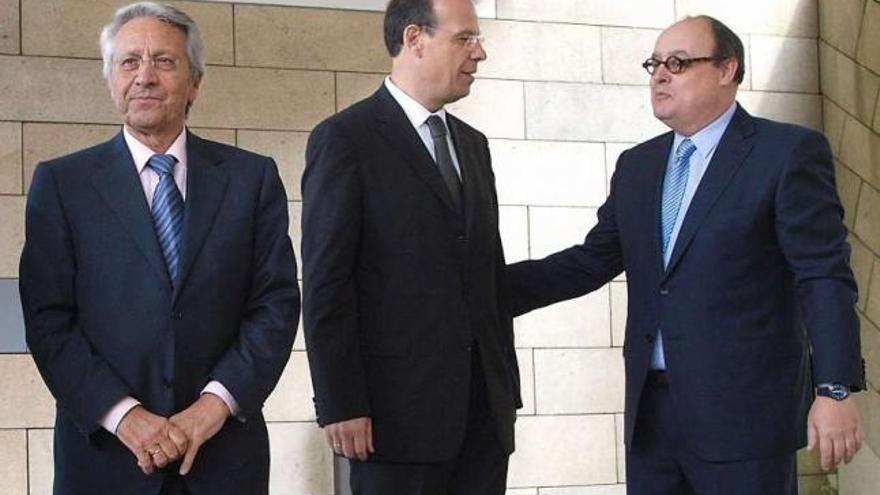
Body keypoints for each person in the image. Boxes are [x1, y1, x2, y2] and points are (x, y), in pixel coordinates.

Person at [508, 15, 865, 495]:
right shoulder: (638, 166)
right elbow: (590, 261)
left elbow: (822, 274)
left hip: (744, 422)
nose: (660, 75)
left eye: (678, 63)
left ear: (726, 70)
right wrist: (477, 290)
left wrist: (834, 388)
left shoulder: (785, 154)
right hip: (652, 421)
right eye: (655, 64)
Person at [19, 2, 300, 493]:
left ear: (195, 82)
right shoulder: (63, 185)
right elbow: (48, 321)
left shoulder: (250, 179)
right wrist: (126, 417)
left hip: (223, 458)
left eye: (164, 61)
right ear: (110, 80)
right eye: (129, 62)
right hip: (106, 461)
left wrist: (211, 409)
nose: (144, 76)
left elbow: (274, 305)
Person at [301, 0, 520, 493]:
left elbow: (483, 278)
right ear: (414, 38)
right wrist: (341, 403)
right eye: (464, 38)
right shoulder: (345, 139)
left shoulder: (474, 145)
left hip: (483, 422)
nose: (479, 53)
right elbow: (325, 286)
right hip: (391, 426)